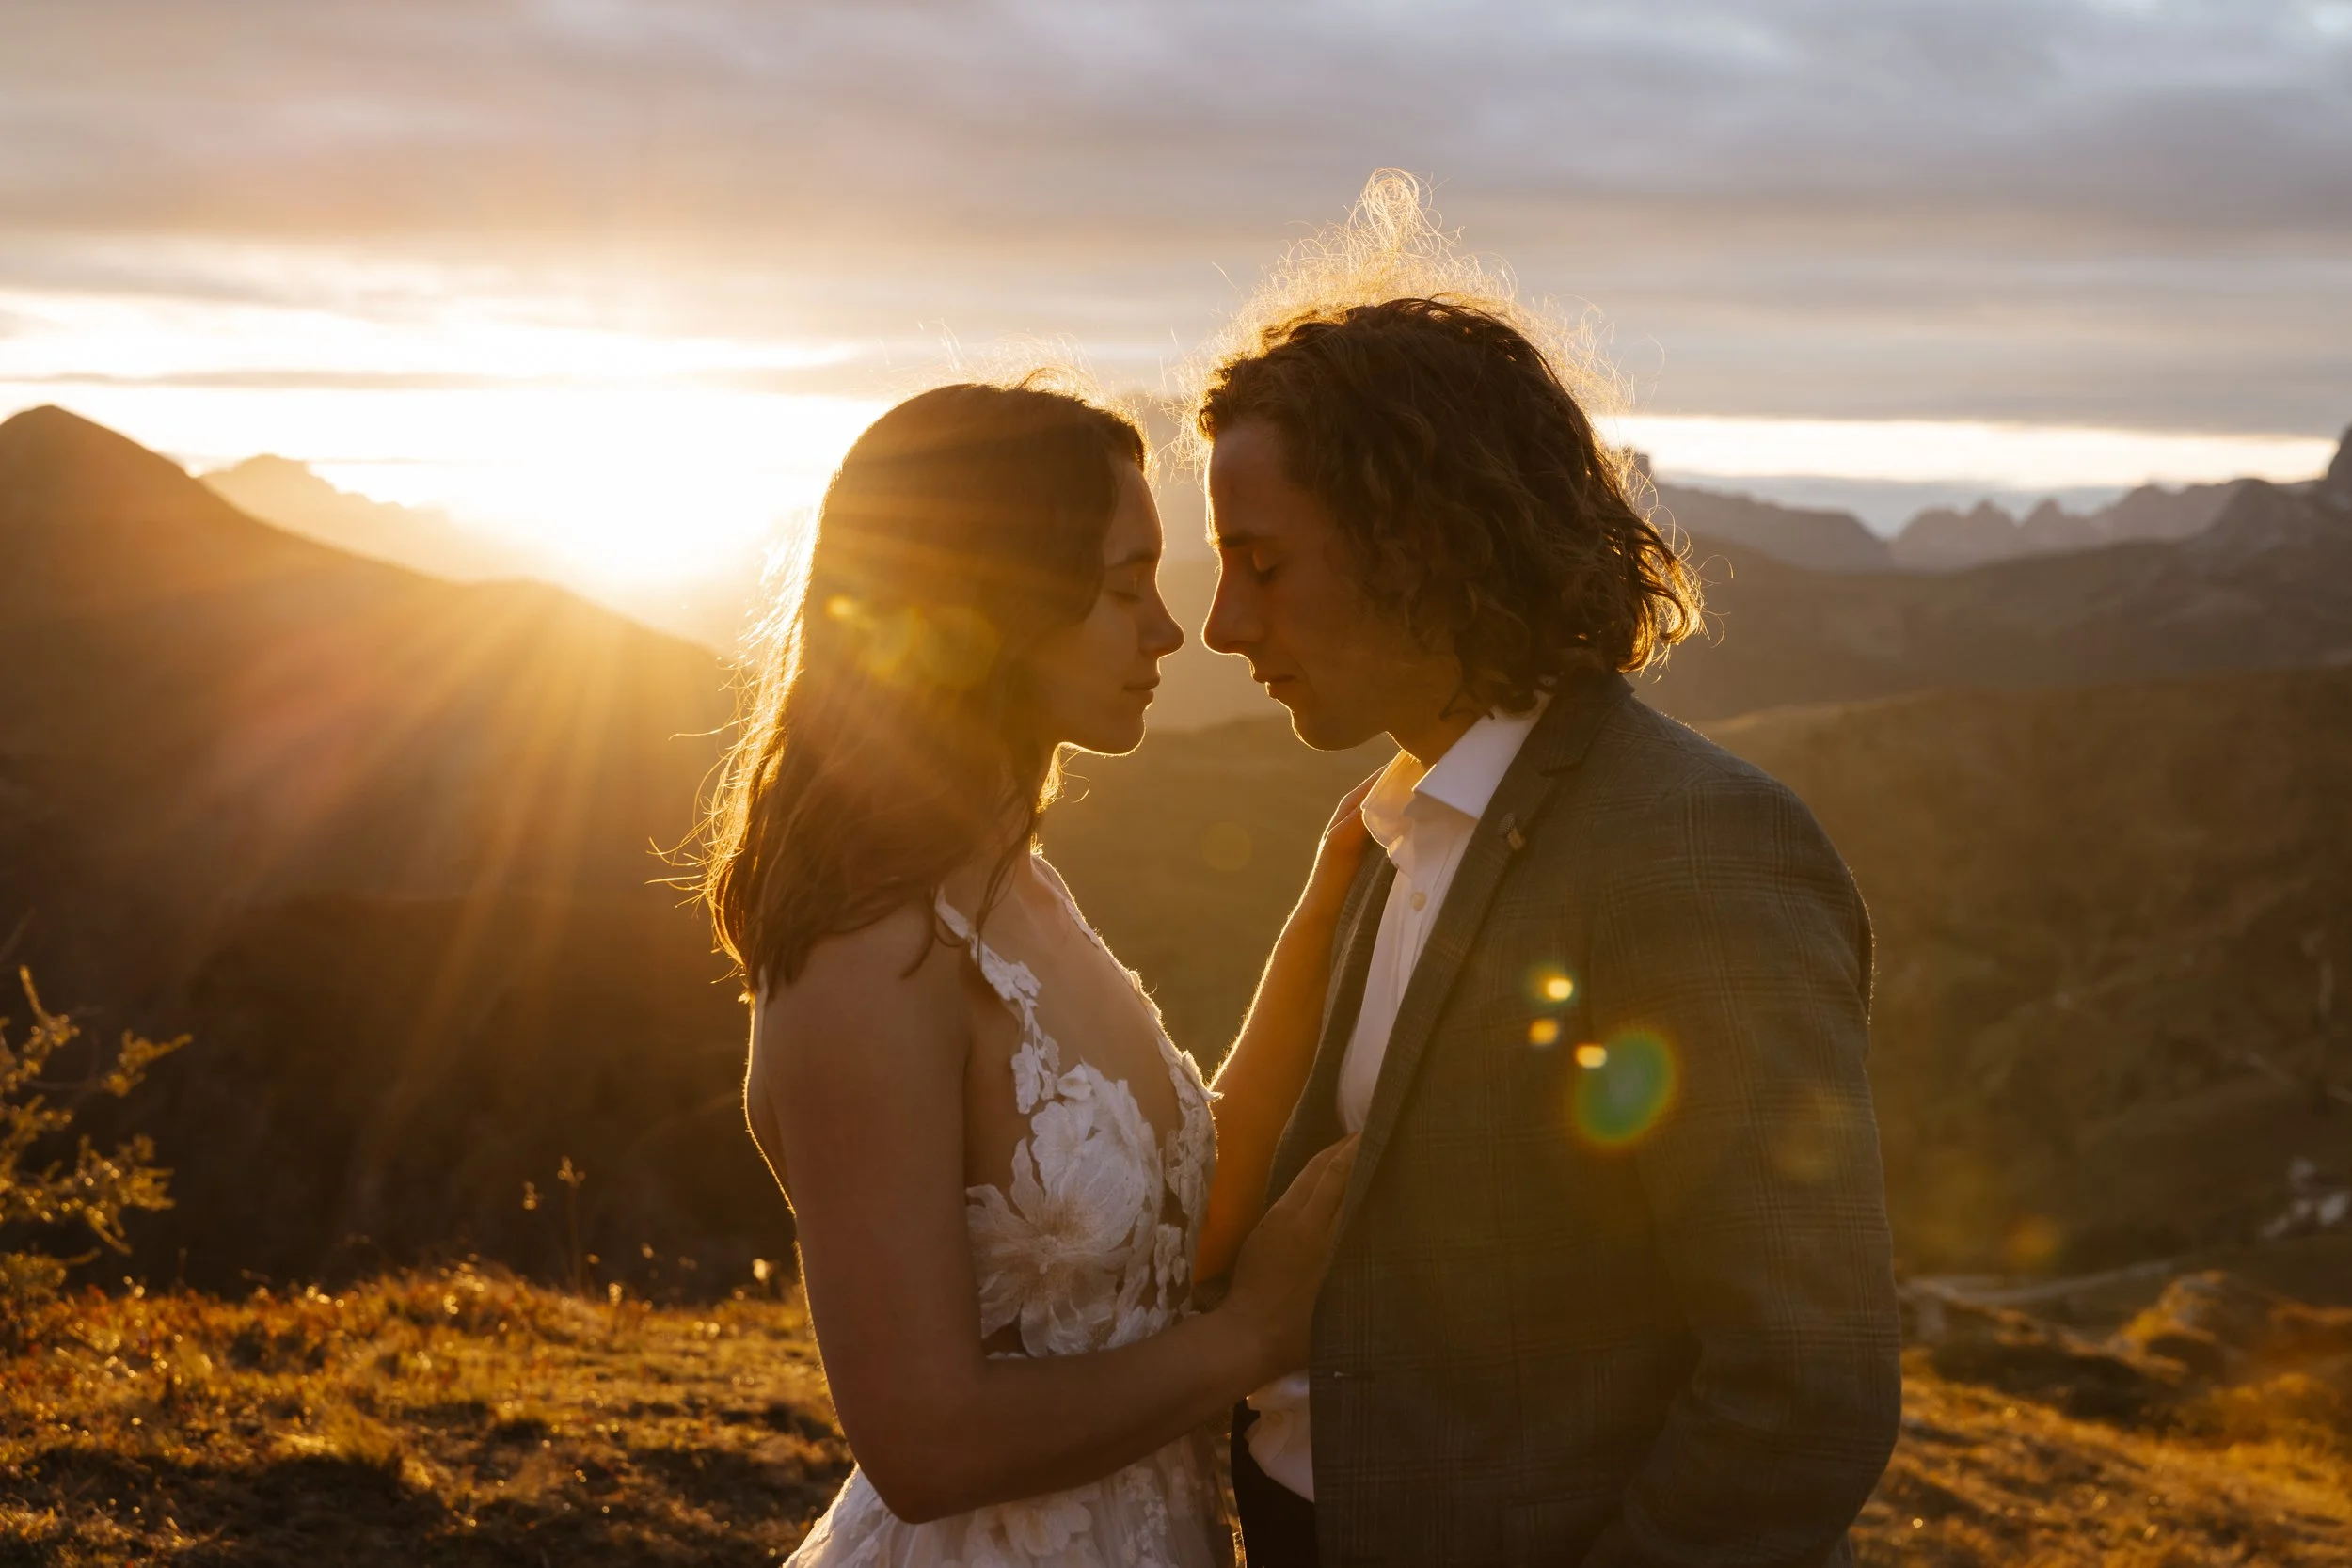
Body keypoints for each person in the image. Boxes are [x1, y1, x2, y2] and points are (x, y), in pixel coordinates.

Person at [1195, 194, 1905, 1565]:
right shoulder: (1390, 828)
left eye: (1263, 565)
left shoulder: (1697, 851)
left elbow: (1804, 1387)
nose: (1225, 623)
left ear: (1422, 542)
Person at [702, 379, 1366, 1567]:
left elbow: (1169, 1221)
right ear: (991, 607)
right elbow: (922, 1446)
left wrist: (1326, 910)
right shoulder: (873, 955)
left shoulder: (1016, 887)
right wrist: (1252, 1335)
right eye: (1123, 589)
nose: (1167, 631)